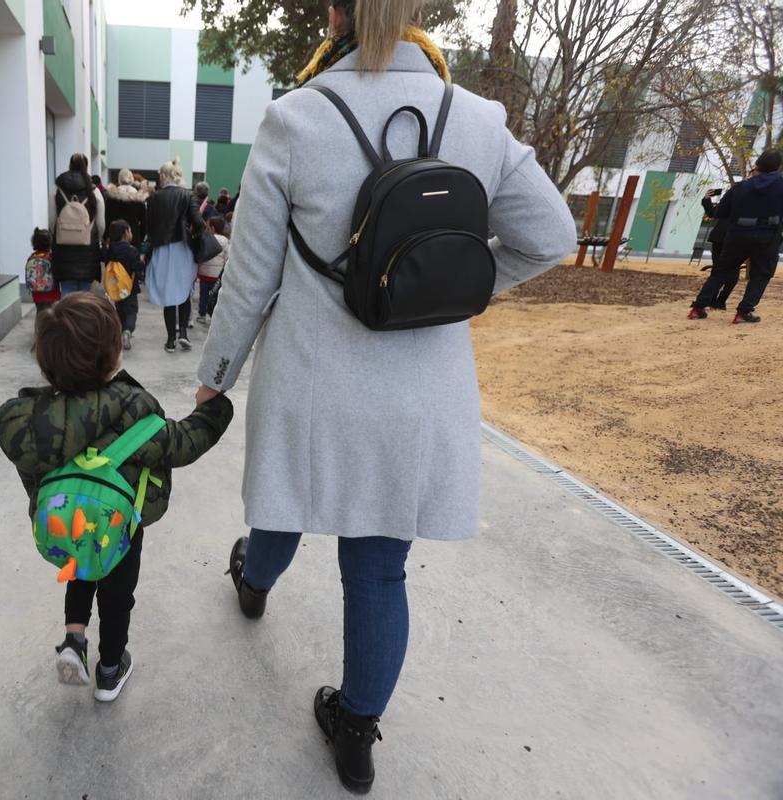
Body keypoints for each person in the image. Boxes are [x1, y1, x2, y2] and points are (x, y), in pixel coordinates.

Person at [194, 0, 576, 792]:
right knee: (377, 570)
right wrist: (447, 284)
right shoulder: (478, 118)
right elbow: (552, 236)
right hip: (418, 393)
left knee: (285, 505)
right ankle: (356, 730)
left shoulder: (295, 119)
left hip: (310, 382)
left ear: (333, 12)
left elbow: (251, 277)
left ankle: (253, 582)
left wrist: (216, 374)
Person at [0, 293, 234, 702]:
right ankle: (109, 669)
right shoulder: (135, 411)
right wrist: (212, 410)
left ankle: (74, 637)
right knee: (116, 595)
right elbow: (182, 443)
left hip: (67, 521)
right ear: (114, 355)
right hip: (120, 525)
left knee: (81, 566)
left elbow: (31, 469)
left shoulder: (34, 423)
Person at [690, 150, 783, 323]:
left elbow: (721, 212)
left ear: (757, 166)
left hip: (737, 235)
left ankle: (698, 308)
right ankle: (743, 312)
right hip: (768, 237)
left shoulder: (739, 187)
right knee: (761, 275)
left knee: (720, 271)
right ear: (777, 167)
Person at [146, 158, 205, 352]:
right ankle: (184, 335)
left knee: (168, 294)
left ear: (163, 176)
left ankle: (170, 340)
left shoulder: (154, 198)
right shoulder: (187, 195)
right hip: (183, 248)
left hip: (161, 249)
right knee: (184, 291)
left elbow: (148, 227)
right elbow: (198, 221)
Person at [52, 153, 105, 296]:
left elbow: (53, 220)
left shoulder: (59, 189)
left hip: (63, 251)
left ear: (70, 165)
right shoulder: (94, 190)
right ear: (86, 167)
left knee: (67, 296)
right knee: (85, 297)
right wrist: (97, 239)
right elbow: (101, 225)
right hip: (87, 250)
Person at [104, 220, 144, 349]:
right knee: (131, 312)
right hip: (129, 288)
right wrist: (142, 264)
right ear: (125, 233)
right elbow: (137, 269)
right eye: (130, 230)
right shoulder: (131, 250)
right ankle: (127, 332)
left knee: (120, 311)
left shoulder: (109, 249)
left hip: (115, 287)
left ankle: (120, 333)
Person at [700, 187, 738, 309]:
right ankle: (713, 300)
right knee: (721, 270)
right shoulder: (731, 200)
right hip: (723, 238)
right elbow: (713, 213)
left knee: (729, 271)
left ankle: (719, 300)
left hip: (733, 238)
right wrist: (707, 200)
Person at [196, 217, 229, 325]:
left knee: (203, 294)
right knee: (215, 295)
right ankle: (213, 314)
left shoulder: (206, 238)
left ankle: (202, 314)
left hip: (204, 273)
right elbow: (226, 257)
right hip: (216, 275)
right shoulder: (225, 241)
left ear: (213, 228)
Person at [25, 227, 59, 314]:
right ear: (49, 243)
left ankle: (39, 327)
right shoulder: (51, 257)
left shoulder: (32, 258)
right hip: (52, 293)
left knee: (40, 315)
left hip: (37, 295)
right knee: (53, 316)